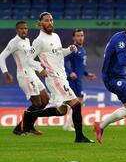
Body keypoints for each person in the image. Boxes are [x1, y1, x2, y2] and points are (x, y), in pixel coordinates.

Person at [22, 12, 94, 143]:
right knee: (76, 105)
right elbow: (27, 60)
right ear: (40, 23)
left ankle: (30, 115)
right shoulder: (39, 41)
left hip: (62, 76)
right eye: (46, 20)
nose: (50, 22)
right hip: (54, 78)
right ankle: (79, 137)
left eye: (51, 20)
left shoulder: (55, 36)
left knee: (61, 111)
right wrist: (40, 68)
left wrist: (69, 49)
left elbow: (59, 54)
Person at [0, 21, 49, 135]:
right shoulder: (14, 42)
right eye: (21, 29)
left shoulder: (27, 41)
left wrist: (39, 66)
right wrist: (6, 73)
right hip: (25, 76)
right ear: (17, 30)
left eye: (26, 28)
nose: (24, 30)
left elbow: (28, 58)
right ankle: (20, 128)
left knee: (45, 100)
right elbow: (1, 56)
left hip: (32, 73)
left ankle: (27, 126)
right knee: (36, 103)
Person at [63, 29, 97, 131]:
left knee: (78, 102)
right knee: (77, 102)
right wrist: (70, 72)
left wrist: (87, 74)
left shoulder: (82, 50)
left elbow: (81, 66)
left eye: (82, 35)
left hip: (79, 80)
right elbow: (63, 61)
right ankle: (69, 125)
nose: (80, 37)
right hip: (73, 80)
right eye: (78, 36)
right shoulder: (72, 49)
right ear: (74, 37)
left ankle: (69, 124)